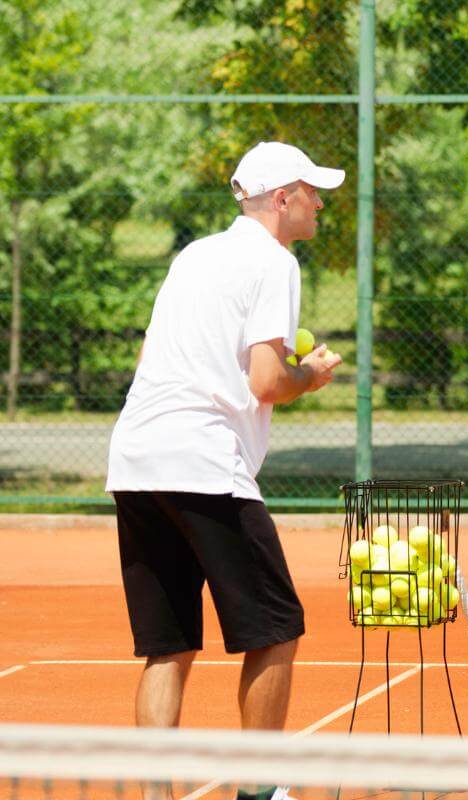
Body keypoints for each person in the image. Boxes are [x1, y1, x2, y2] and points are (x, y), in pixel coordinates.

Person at [105, 142, 345, 794]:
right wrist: (312, 375)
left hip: (135, 460)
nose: (320, 202)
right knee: (277, 630)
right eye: (311, 190)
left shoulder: (196, 254)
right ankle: (261, 791)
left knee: (169, 645)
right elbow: (268, 381)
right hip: (203, 461)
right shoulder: (274, 262)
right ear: (281, 199)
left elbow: (154, 353)